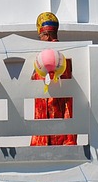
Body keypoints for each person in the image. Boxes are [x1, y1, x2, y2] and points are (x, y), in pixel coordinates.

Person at [30, 12, 75, 146]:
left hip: (51, 101)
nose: (40, 40)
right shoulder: (66, 53)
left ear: (47, 35)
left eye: (41, 36)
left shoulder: (48, 54)